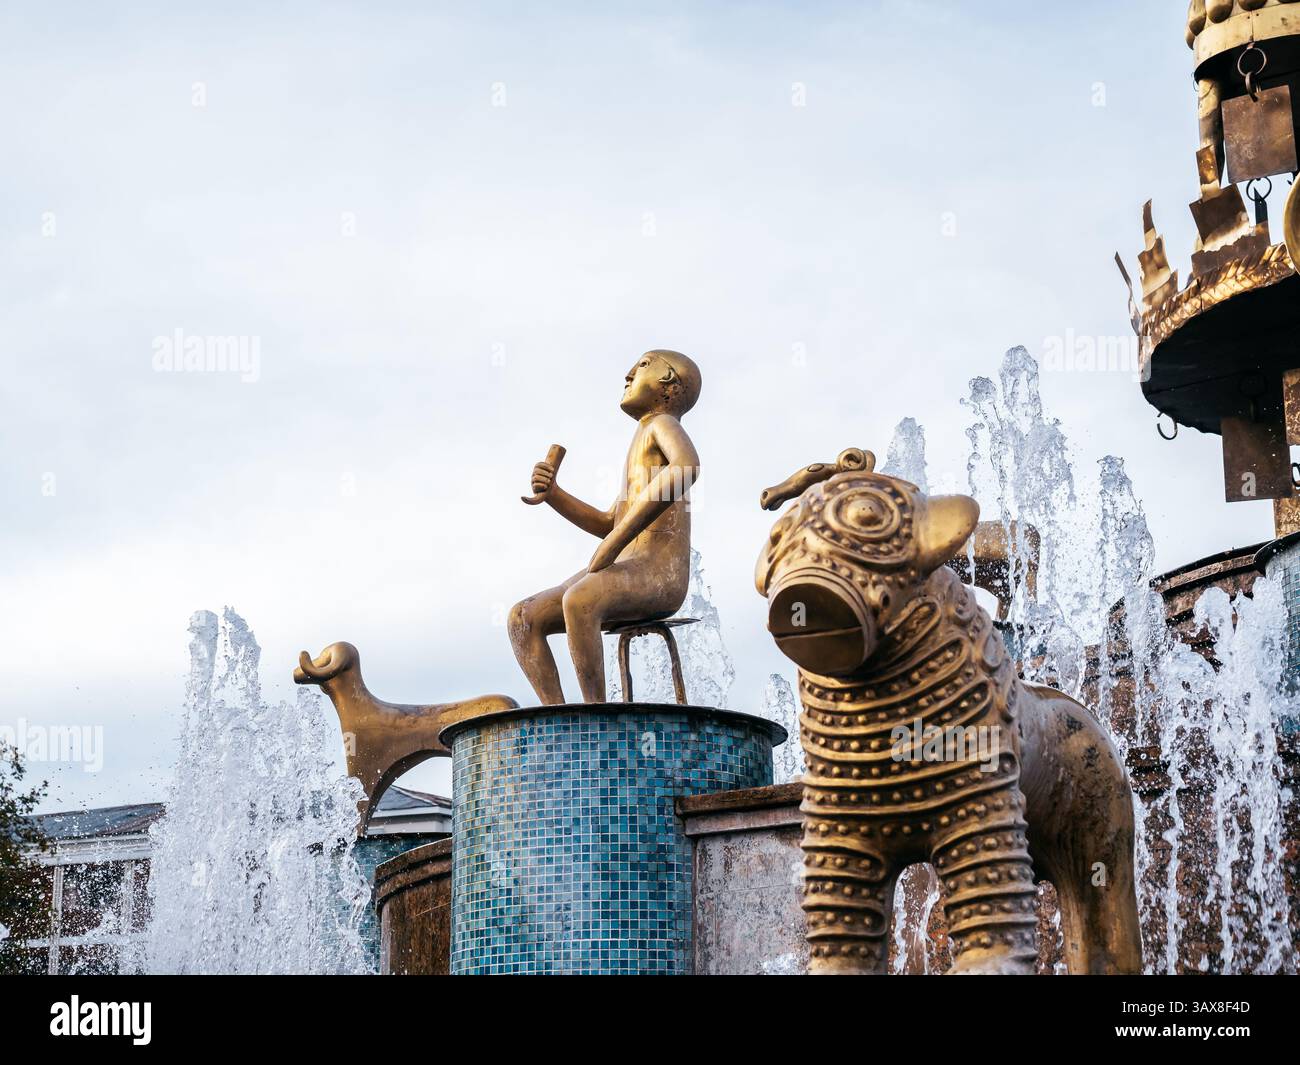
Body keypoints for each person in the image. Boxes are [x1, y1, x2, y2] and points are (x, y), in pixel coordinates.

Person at [508, 350, 702, 703]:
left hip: (658, 574)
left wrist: (614, 542)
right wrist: (554, 495)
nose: (628, 374)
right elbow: (607, 522)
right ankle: (559, 719)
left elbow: (686, 467)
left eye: (643, 365)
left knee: (580, 599)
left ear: (668, 380)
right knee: (524, 617)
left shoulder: (662, 425)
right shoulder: (642, 438)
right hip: (626, 566)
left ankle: (594, 716)